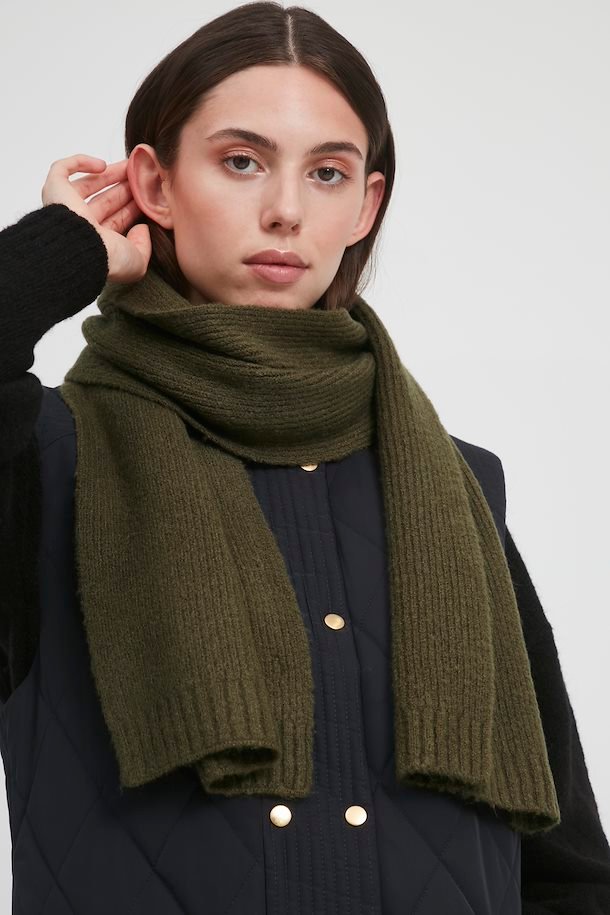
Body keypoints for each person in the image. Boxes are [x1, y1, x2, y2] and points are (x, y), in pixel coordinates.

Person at [1, 3, 609, 913]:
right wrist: (61, 249)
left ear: (366, 204)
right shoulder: (49, 460)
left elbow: (568, 869)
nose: (286, 210)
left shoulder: (458, 482)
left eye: (328, 173)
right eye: (241, 161)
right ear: (154, 185)